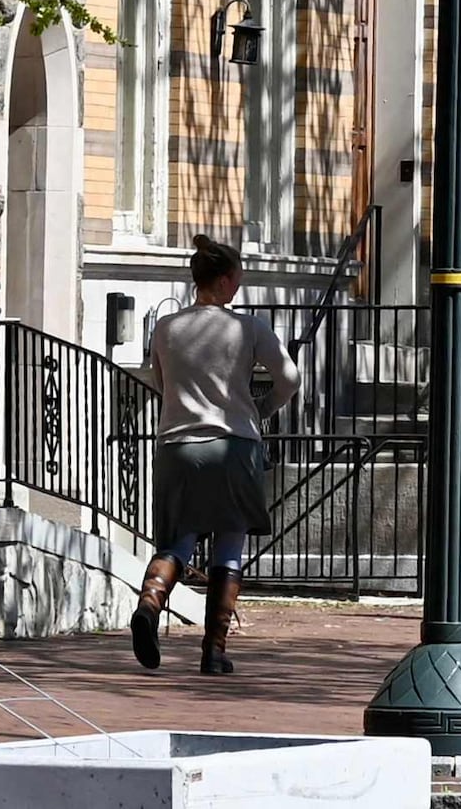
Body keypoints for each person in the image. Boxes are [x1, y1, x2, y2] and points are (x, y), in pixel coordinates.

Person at [133, 236, 292, 676]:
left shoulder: (166, 327)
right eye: (237, 280)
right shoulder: (248, 328)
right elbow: (290, 377)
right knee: (229, 543)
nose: (238, 288)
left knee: (178, 540)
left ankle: (148, 605)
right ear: (224, 281)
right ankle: (214, 651)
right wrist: (262, 408)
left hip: (176, 447)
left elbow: (156, 382)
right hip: (232, 445)